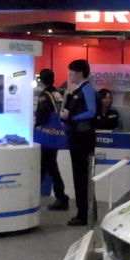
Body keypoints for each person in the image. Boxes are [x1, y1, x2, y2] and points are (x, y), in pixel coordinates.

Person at [59, 59, 96, 226]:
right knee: (80, 177)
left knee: (81, 177)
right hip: (77, 138)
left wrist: (71, 117)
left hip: (82, 140)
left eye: (71, 72)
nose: (69, 76)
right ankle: (86, 212)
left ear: (80, 73)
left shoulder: (86, 90)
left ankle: (84, 214)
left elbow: (91, 111)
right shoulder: (79, 91)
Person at [35, 68, 68, 211]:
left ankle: (61, 197)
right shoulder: (57, 93)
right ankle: (35, 194)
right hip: (55, 134)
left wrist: (35, 123)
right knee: (46, 165)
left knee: (50, 166)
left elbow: (42, 115)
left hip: (46, 136)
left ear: (41, 80)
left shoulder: (44, 95)